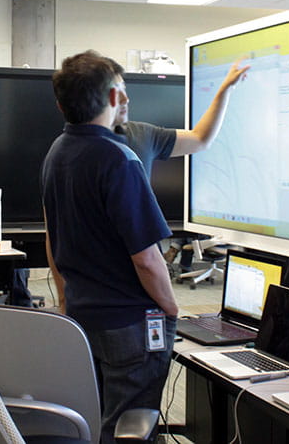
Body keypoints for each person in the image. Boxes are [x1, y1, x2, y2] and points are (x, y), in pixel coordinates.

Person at [41, 50, 179, 443]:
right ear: (115, 97)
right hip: (131, 324)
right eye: (125, 91)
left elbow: (53, 238)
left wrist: (66, 298)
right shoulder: (120, 159)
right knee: (131, 428)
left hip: (84, 315)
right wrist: (171, 307)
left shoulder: (56, 153)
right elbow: (147, 259)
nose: (129, 100)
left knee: (100, 419)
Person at [107, 56, 251, 271]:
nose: (127, 99)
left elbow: (200, 138)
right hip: (116, 276)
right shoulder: (74, 155)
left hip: (136, 282)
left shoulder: (142, 134)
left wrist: (224, 91)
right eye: (118, 90)